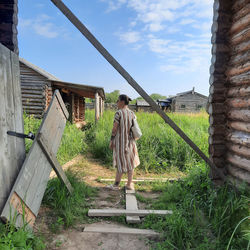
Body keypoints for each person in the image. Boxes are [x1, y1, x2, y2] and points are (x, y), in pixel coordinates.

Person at [108, 94, 140, 190]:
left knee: (120, 163)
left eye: (117, 101)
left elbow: (114, 129)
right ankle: (129, 184)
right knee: (130, 163)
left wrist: (111, 140)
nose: (117, 103)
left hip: (120, 143)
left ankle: (116, 185)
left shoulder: (118, 113)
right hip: (131, 142)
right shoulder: (132, 113)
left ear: (122, 102)